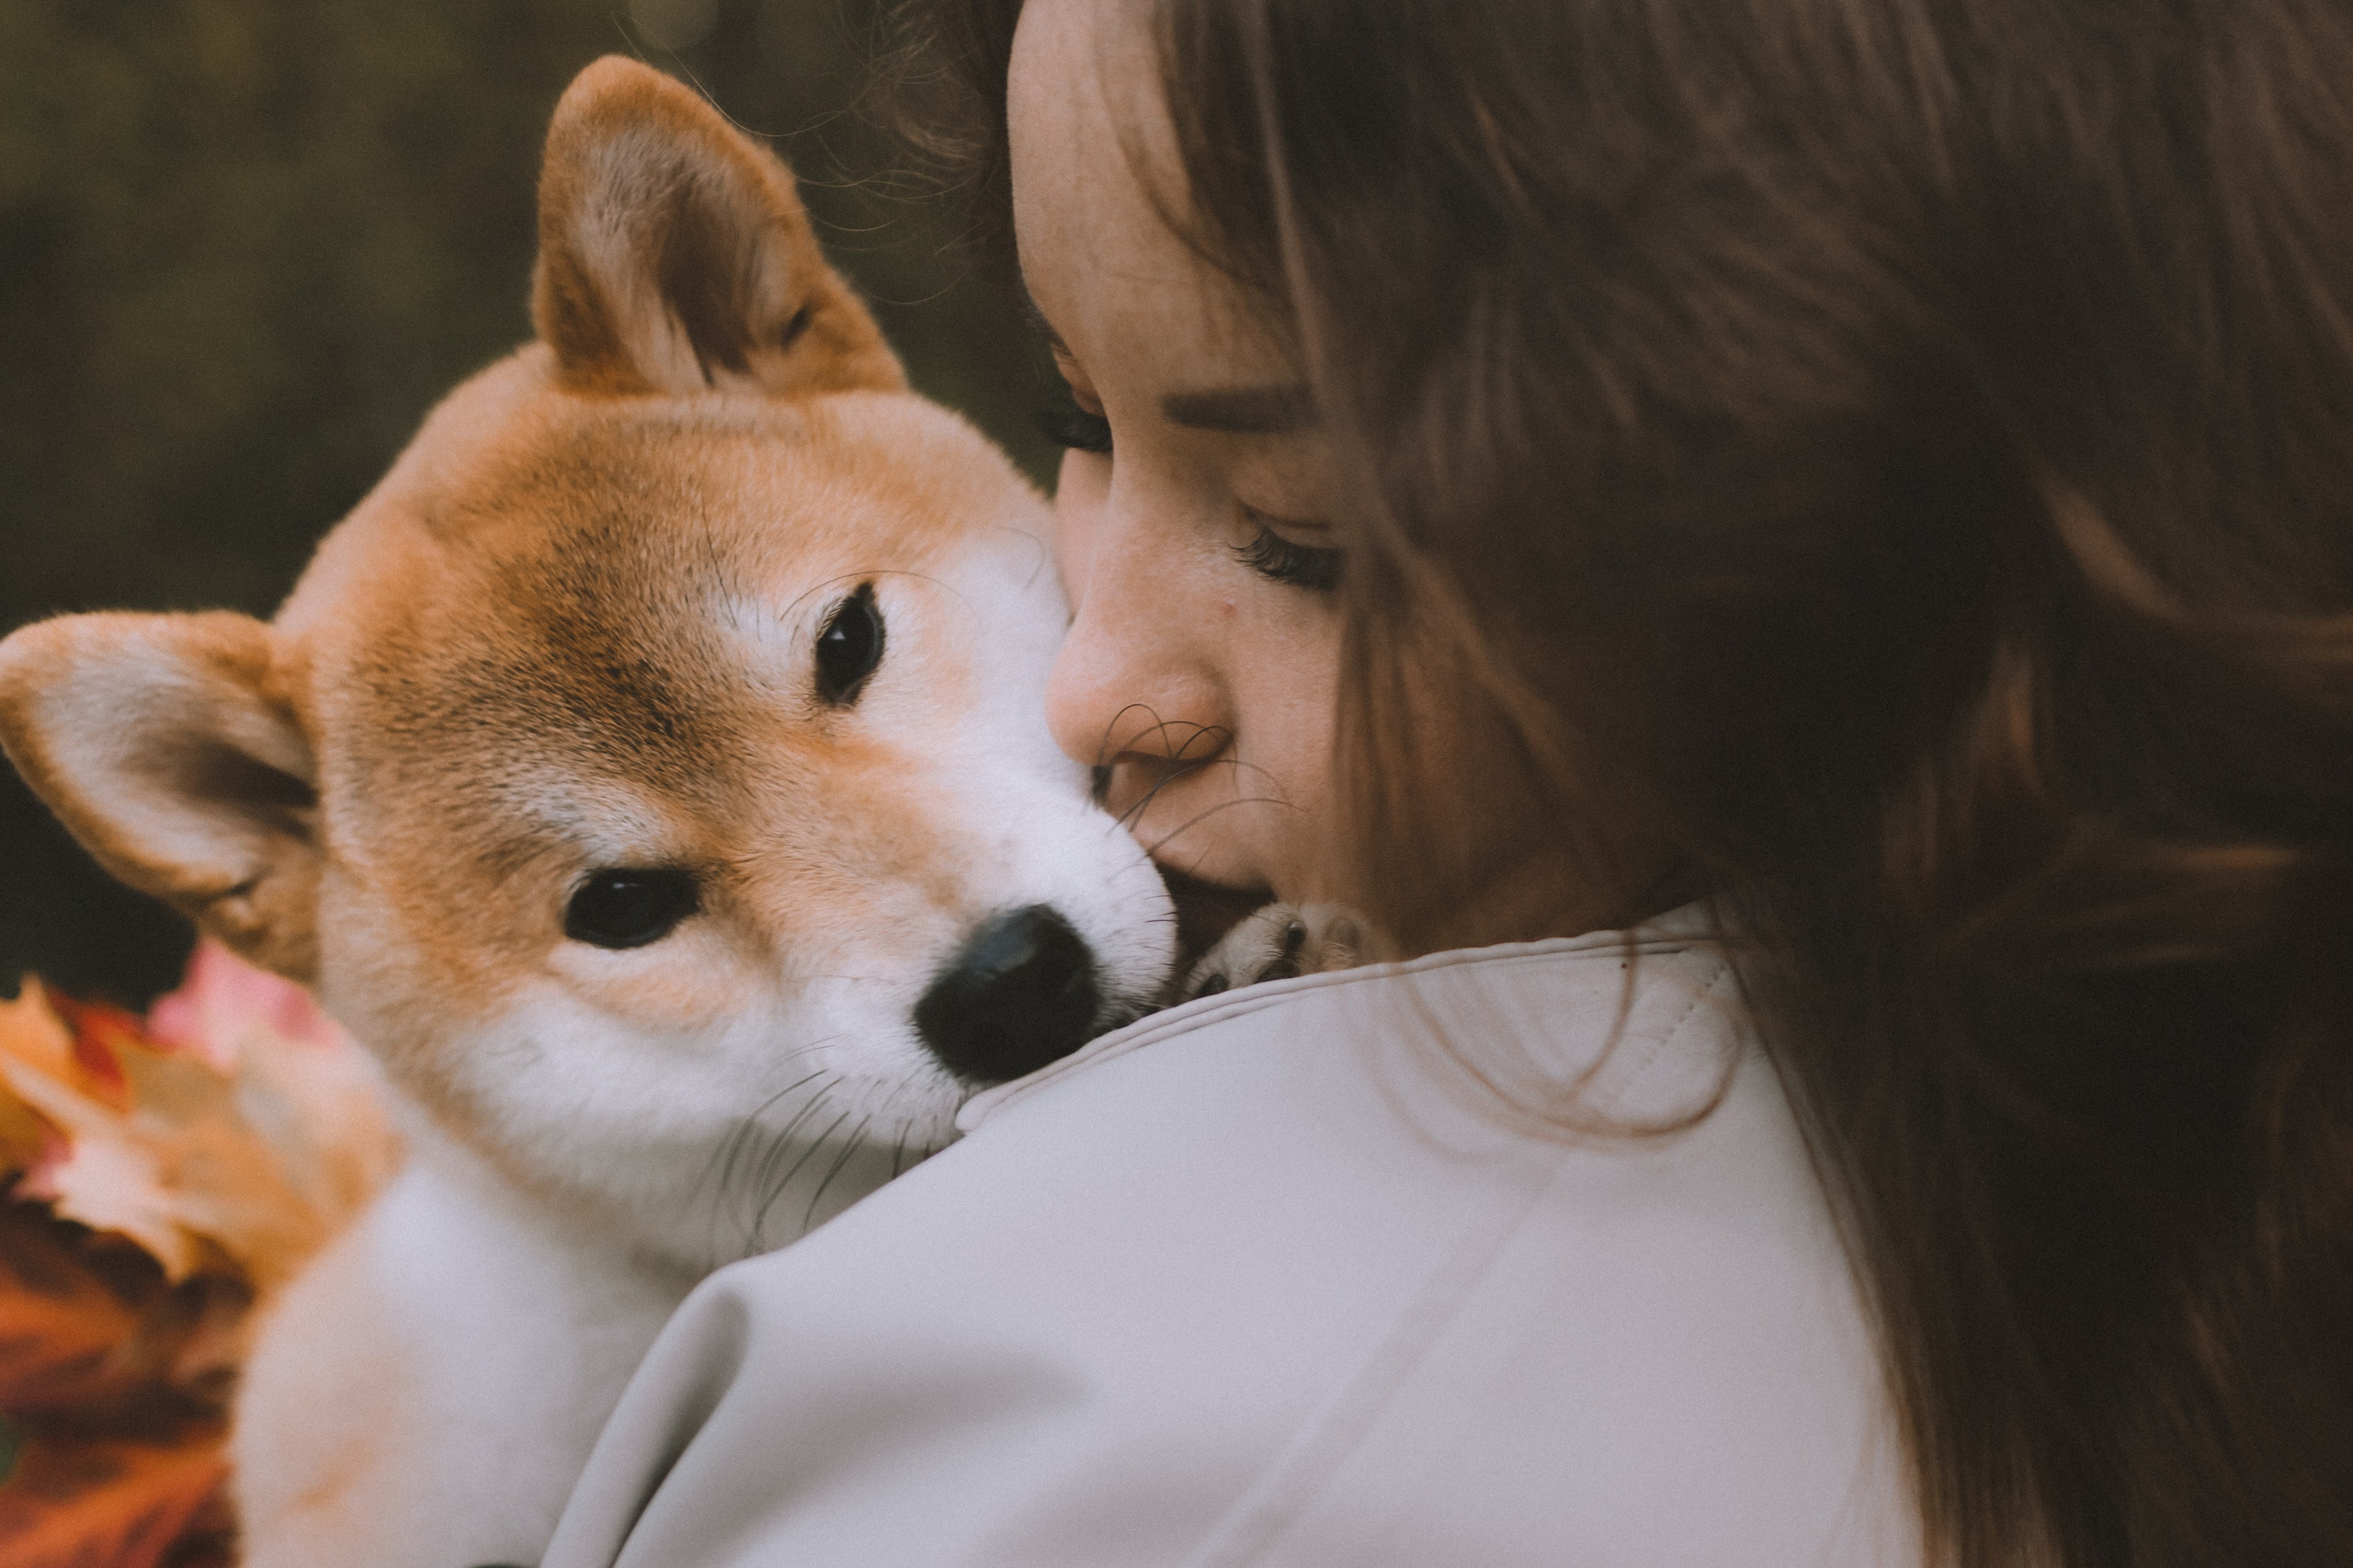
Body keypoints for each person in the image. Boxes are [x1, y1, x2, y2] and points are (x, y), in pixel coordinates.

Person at [541, 1, 2353, 1562]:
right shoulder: (2181, 1214)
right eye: (1078, 415)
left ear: (1879, 543)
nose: (1093, 683)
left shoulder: (1064, 1425)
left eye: (1307, 534)